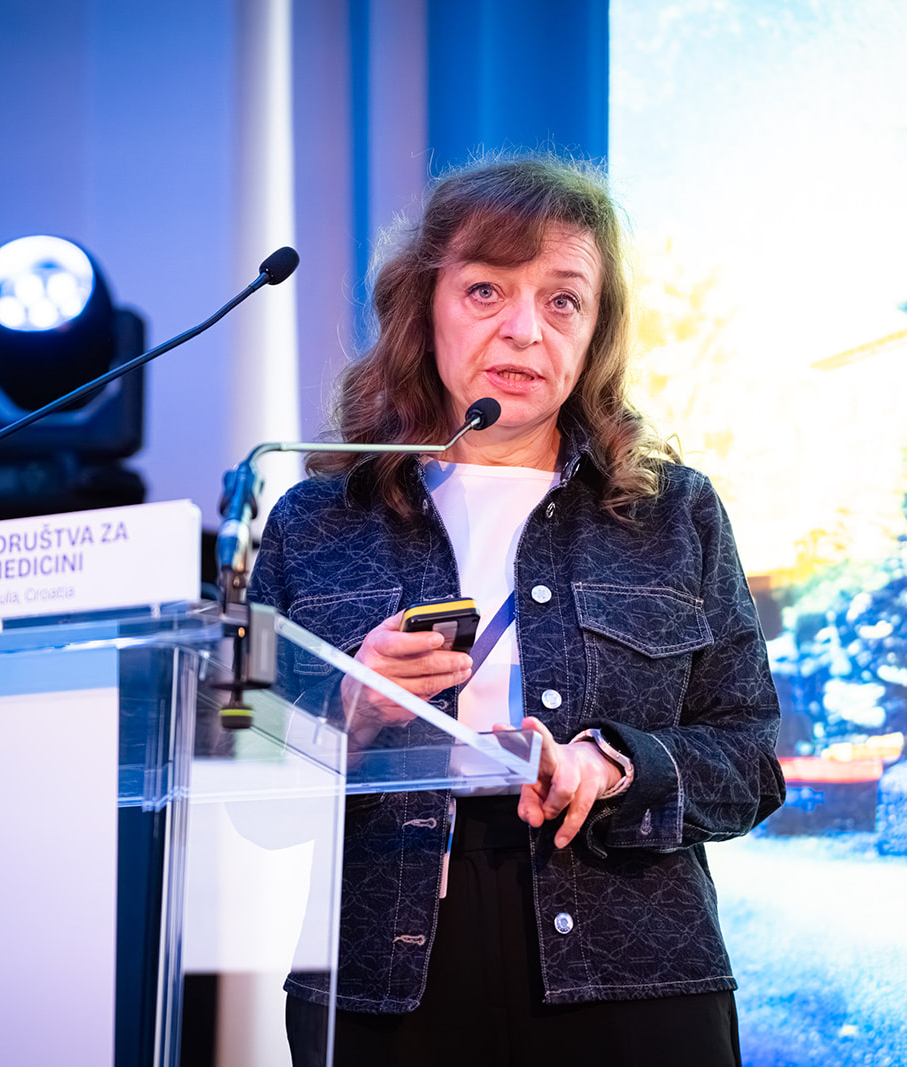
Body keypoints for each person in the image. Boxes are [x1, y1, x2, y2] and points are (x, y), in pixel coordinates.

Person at [249, 156, 785, 1067]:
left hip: (633, 964)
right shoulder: (316, 522)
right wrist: (348, 711)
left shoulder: (675, 512)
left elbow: (750, 761)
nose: (526, 330)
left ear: (596, 331)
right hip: (384, 977)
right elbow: (245, 794)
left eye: (563, 300)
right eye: (486, 290)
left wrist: (612, 767)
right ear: (425, 306)